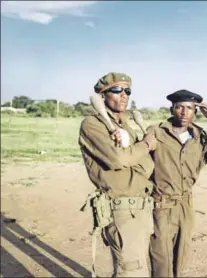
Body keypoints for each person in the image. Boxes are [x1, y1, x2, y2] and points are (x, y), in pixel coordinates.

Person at [78, 72, 157, 277]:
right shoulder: (92, 124)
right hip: (121, 208)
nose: (124, 95)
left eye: (127, 91)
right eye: (116, 90)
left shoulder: (124, 126)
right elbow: (119, 160)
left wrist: (136, 146)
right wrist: (146, 144)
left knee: (138, 266)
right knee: (130, 271)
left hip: (140, 205)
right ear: (102, 95)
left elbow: (142, 164)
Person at [148, 89, 207, 277]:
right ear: (172, 109)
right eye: (180, 107)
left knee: (181, 257)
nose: (185, 112)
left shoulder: (199, 137)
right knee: (160, 260)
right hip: (161, 204)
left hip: (185, 205)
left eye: (190, 108)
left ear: (196, 112)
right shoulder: (156, 132)